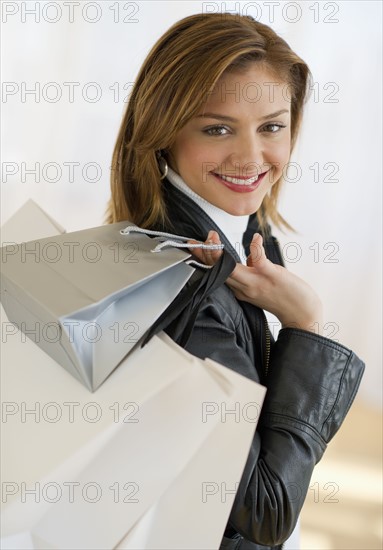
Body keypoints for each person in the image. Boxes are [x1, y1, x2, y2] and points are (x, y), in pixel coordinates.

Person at [107, 12, 365, 550]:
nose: (251, 158)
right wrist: (308, 325)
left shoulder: (241, 231)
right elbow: (266, 511)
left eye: (271, 126)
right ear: (162, 132)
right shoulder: (187, 287)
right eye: (217, 128)